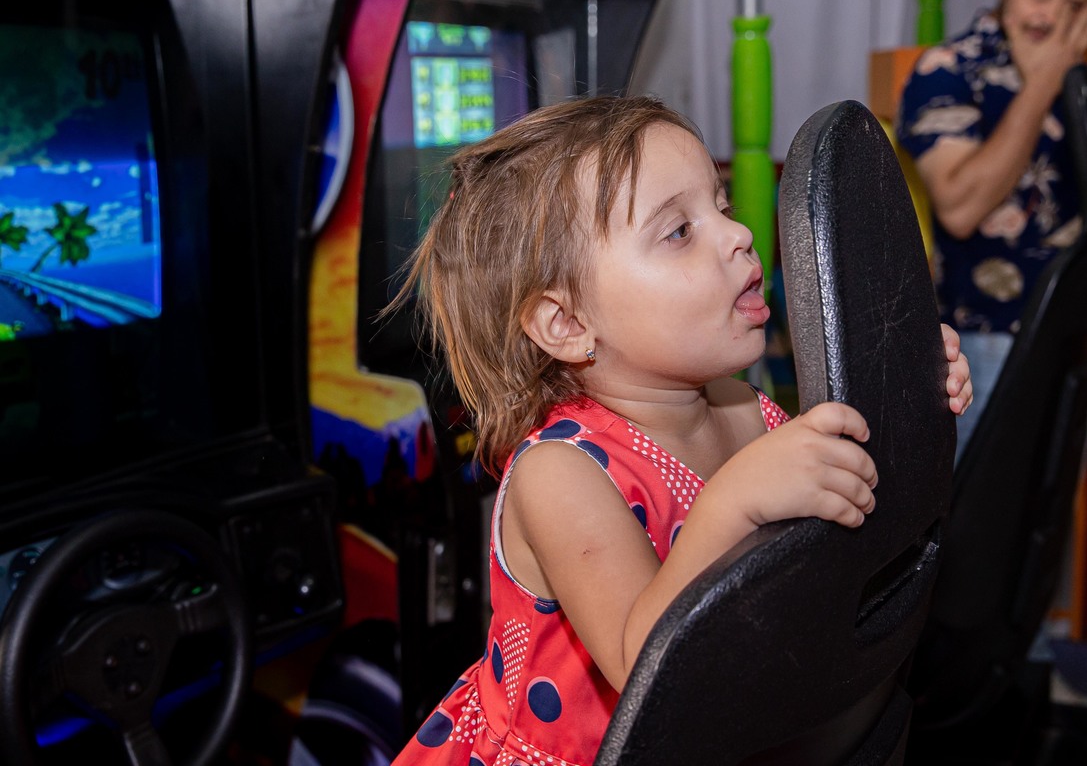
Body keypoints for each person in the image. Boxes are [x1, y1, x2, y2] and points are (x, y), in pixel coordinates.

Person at [387, 95, 972, 766]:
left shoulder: (745, 409)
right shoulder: (560, 473)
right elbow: (640, 664)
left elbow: (839, 531)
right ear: (568, 324)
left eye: (722, 205)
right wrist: (731, 504)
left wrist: (906, 391)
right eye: (679, 232)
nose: (739, 234)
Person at [896, 0, 1087, 461]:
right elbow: (960, 208)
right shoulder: (948, 70)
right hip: (985, 343)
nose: (1052, 17)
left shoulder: (1077, 75)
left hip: (1076, 341)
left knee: (1049, 508)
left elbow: (1078, 217)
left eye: (1075, 5)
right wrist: (1040, 87)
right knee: (977, 509)